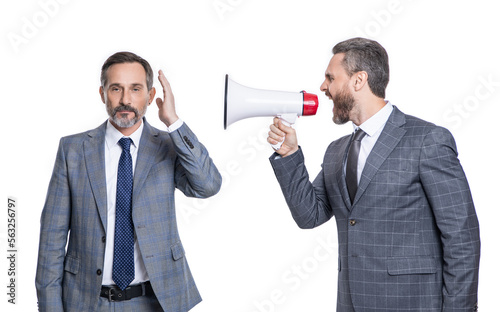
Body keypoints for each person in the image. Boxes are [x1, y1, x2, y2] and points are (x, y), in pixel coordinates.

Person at [267, 38, 480, 311]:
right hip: (351, 303)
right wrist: (289, 155)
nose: (323, 87)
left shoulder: (427, 140)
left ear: (359, 80)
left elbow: (462, 238)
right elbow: (310, 215)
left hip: (413, 303)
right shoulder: (336, 151)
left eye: (331, 78)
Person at [35, 52, 222, 312]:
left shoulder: (168, 146)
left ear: (150, 94)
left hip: (155, 300)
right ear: (102, 94)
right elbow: (51, 239)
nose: (125, 100)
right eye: (116, 89)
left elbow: (208, 185)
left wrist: (173, 122)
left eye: (135, 89)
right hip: (86, 301)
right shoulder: (73, 150)